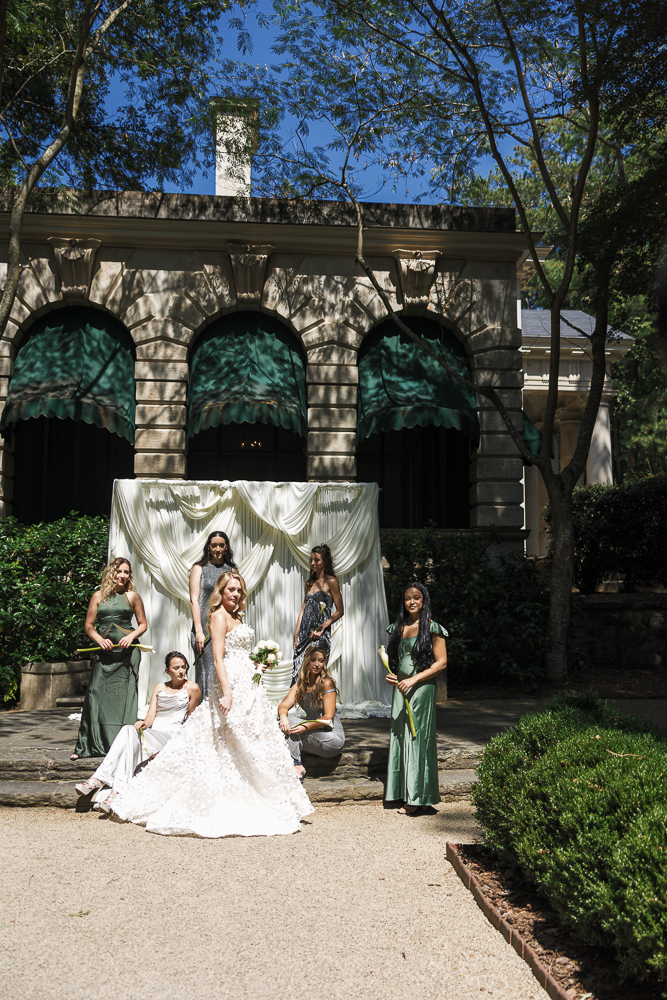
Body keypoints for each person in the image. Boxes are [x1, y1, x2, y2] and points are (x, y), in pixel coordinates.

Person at [111, 571, 313, 838]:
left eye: (239, 590)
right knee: (227, 736)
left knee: (251, 738)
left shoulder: (238, 617)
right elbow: (218, 659)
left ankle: (264, 794)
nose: (236, 594)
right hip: (228, 684)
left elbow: (238, 653)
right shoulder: (217, 616)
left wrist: (257, 665)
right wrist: (227, 693)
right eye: (231, 589)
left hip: (247, 683)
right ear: (221, 591)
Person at [74, 651, 200, 813]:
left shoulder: (192, 688)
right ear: (167, 670)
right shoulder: (159, 687)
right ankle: (113, 790)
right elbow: (150, 718)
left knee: (129, 735)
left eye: (183, 667)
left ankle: (99, 780)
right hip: (154, 733)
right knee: (128, 730)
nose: (181, 671)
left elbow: (191, 718)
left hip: (172, 736)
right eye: (176, 668)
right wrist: (143, 723)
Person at [71, 557, 147, 760]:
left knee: (124, 698)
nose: (123, 576)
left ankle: (121, 747)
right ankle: (88, 746)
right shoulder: (98, 596)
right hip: (103, 653)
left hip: (127, 654)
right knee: (95, 693)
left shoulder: (133, 596)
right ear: (111, 573)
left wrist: (131, 636)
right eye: (119, 571)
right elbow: (89, 625)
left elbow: (142, 624)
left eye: (126, 572)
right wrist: (98, 639)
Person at [384, 582, 447, 815]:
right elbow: (395, 661)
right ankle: (401, 791)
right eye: (408, 598)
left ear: (424, 600)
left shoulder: (432, 628)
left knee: (418, 738)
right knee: (400, 737)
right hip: (400, 688)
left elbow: (441, 662)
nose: (412, 601)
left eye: (417, 597)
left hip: (421, 689)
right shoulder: (397, 628)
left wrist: (414, 680)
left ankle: (418, 797)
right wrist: (392, 677)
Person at [278, 645, 345, 780]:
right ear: (307, 661)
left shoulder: (327, 683)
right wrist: (283, 716)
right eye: (313, 660)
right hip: (311, 735)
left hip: (331, 738)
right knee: (285, 723)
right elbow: (284, 705)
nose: (317, 664)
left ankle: (295, 763)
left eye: (321, 661)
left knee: (292, 727)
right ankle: (296, 765)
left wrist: (305, 726)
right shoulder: (299, 686)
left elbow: (328, 718)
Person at [189, 530, 237, 700]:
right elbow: (194, 600)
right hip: (204, 625)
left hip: (225, 625)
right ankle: (204, 712)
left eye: (221, 545)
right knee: (207, 669)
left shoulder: (231, 569)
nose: (217, 548)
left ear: (226, 547)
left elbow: (236, 597)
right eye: (214, 545)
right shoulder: (199, 568)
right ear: (209, 547)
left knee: (226, 667)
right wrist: (199, 630)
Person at [292, 544, 344, 684]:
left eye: (316, 560)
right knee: (300, 667)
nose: (312, 563)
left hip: (320, 633)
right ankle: (301, 701)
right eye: (311, 560)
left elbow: (340, 611)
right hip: (305, 633)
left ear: (324, 562)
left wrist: (322, 627)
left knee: (316, 667)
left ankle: (320, 701)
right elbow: (303, 608)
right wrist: (296, 635)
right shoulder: (309, 583)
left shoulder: (331, 582)